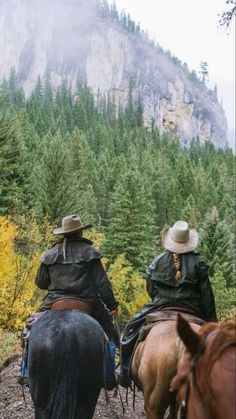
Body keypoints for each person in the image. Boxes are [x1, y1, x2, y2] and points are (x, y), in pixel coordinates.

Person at [20, 214, 119, 389]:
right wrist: (112, 305)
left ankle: (26, 371)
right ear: (80, 231)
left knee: (29, 329)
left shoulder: (50, 254)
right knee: (109, 335)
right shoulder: (91, 253)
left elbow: (41, 283)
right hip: (88, 301)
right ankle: (109, 375)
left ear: (63, 233)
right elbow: (102, 284)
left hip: (54, 301)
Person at [119, 220, 218, 388]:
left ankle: (124, 368)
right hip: (192, 309)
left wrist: (161, 299)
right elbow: (206, 295)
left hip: (159, 306)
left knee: (130, 329)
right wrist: (211, 319)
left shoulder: (157, 261)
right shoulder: (199, 263)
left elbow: (150, 289)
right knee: (214, 342)